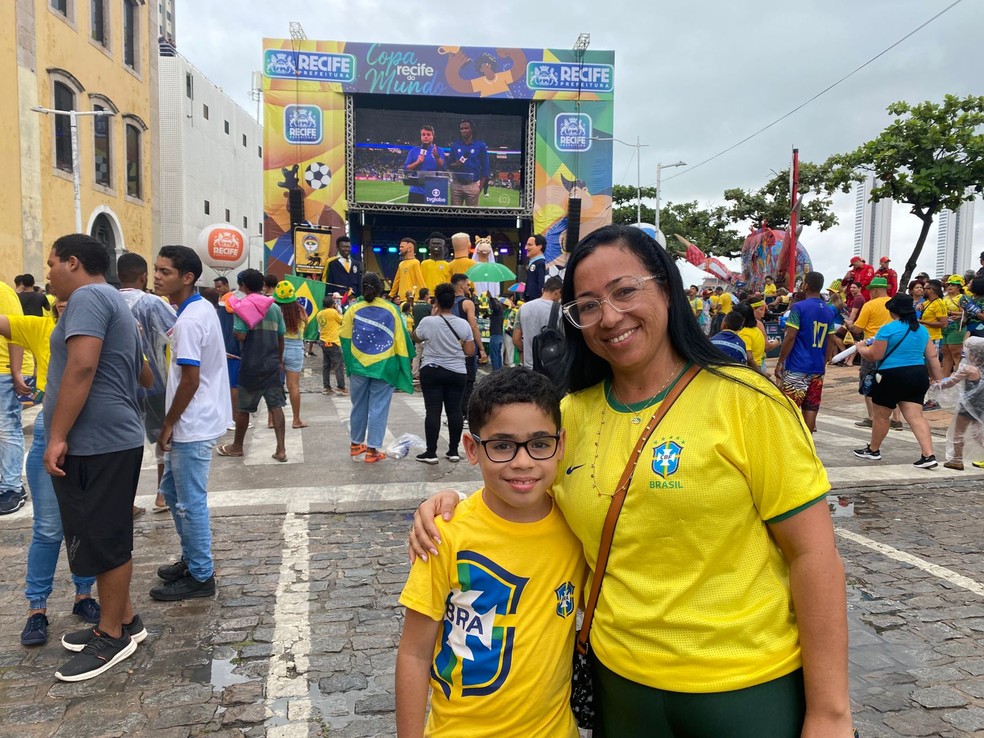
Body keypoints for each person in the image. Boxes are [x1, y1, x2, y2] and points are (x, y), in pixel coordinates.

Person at [412, 224, 851, 737]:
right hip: (620, 687)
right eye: (589, 305)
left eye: (625, 291)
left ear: (665, 285)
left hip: (746, 687)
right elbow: (520, 486)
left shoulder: (747, 402)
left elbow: (813, 555)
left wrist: (829, 713)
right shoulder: (569, 415)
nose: (610, 318)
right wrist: (451, 503)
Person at [396, 367, 584, 737]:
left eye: (540, 443)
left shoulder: (576, 524)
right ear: (471, 448)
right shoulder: (444, 533)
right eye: (502, 445)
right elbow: (414, 653)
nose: (523, 462)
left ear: (560, 445)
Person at [43, 234, 149, 682]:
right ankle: (125, 619)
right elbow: (145, 372)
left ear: (73, 262)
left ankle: (112, 636)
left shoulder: (89, 296)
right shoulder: (113, 301)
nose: (47, 274)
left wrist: (57, 435)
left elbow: (82, 366)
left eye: (51, 265)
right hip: (108, 437)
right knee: (101, 530)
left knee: (106, 536)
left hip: (97, 439)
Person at [0, 299, 103, 646]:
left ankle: (84, 595)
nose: (63, 300)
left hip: (90, 436)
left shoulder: (100, 330)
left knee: (84, 524)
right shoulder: (40, 328)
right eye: (58, 294)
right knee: (47, 529)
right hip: (48, 434)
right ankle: (36, 608)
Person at [150, 245, 231, 601]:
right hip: (196, 418)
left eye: (164, 272)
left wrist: (167, 424)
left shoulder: (189, 319)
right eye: (156, 269)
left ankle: (201, 575)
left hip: (191, 422)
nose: (157, 277)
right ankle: (192, 558)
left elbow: (191, 380)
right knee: (171, 492)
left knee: (189, 502)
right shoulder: (198, 308)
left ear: (186, 278)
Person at [853, 293, 942, 469]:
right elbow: (932, 356)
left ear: (894, 311)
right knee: (916, 416)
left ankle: (873, 450)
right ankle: (928, 454)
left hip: (891, 375)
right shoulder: (922, 330)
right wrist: (938, 379)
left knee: (881, 416)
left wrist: (862, 349)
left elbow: (875, 355)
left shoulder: (888, 329)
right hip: (918, 375)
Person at [117, 252, 176, 516]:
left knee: (122, 446)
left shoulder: (106, 301)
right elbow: (176, 333)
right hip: (153, 384)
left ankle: (123, 500)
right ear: (143, 277)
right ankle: (162, 495)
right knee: (162, 439)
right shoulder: (153, 303)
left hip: (118, 387)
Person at [341, 272, 415, 464]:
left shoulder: (352, 309)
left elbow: (345, 338)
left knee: (358, 405)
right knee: (378, 407)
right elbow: (401, 338)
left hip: (358, 364)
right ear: (382, 289)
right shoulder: (392, 309)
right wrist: (404, 362)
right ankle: (372, 449)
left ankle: (356, 444)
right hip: (384, 365)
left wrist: (350, 364)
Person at [217, 269, 287, 462]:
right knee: (276, 407)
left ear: (244, 286)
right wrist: (279, 360)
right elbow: (281, 337)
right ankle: (281, 450)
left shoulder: (243, 306)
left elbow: (241, 335)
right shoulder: (274, 307)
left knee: (244, 408)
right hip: (272, 364)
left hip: (251, 365)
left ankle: (237, 446)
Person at [411, 283, 475, 464]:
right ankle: (453, 451)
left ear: (436, 302)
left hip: (432, 371)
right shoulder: (463, 324)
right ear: (454, 301)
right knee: (454, 411)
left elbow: (415, 336)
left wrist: (432, 316)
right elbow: (470, 352)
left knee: (433, 411)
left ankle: (431, 453)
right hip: (457, 372)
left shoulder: (428, 322)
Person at [775, 272, 835, 432]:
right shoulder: (829, 311)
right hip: (817, 367)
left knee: (789, 409)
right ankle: (807, 445)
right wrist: (824, 361)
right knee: (811, 407)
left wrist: (780, 361)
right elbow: (830, 340)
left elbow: (790, 337)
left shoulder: (798, 307)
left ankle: (789, 444)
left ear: (806, 285)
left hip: (797, 365)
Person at [846, 276, 891, 428]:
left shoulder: (870, 305)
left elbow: (858, 328)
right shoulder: (894, 305)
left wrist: (849, 325)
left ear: (876, 290)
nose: (870, 293)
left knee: (868, 381)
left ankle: (872, 418)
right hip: (892, 350)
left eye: (871, 290)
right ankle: (895, 419)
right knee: (890, 384)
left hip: (871, 349)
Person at [937, 336, 984, 470]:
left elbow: (950, 383)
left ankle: (957, 460)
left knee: (958, 432)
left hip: (968, 406)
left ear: (973, 354)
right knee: (978, 433)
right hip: (982, 406)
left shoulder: (968, 369)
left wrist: (936, 385)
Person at [0, 280, 26, 515]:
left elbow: (16, 332)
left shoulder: (3, 292)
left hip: (2, 370)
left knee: (7, 428)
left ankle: (12, 488)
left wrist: (16, 372)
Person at [450, 273, 487, 417]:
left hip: (449, 348)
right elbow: (473, 326)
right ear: (461, 285)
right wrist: (482, 348)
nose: (468, 286)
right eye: (466, 284)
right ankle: (464, 413)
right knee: (468, 380)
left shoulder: (447, 302)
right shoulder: (467, 303)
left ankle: (453, 413)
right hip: (466, 348)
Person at [274, 281, 309, 429]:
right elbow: (306, 323)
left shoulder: (274, 310)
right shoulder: (299, 311)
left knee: (275, 385)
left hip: (277, 347)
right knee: (293, 386)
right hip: (295, 348)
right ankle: (296, 420)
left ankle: (271, 420)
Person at [512, 275, 563, 369]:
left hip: (529, 368)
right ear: (558, 292)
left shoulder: (523, 308)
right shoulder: (559, 311)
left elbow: (516, 340)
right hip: (550, 368)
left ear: (542, 290)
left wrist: (529, 351)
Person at [448, 119, 489, 206]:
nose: (464, 131)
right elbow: (448, 165)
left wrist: (480, 187)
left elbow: (485, 168)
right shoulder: (455, 145)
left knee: (472, 216)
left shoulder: (480, 145)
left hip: (472, 185)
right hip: (456, 185)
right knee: (454, 214)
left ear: (472, 130)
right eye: (462, 129)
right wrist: (456, 164)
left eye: (466, 128)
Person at [403, 125, 445, 204]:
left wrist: (437, 157)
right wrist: (417, 162)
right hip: (416, 191)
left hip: (434, 191)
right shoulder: (414, 151)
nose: (425, 137)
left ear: (433, 136)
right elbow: (405, 170)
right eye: (423, 134)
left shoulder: (439, 151)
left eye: (428, 135)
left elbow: (443, 168)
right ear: (421, 136)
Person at [316, 294, 346, 395]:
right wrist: (338, 310)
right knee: (338, 365)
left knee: (326, 365)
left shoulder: (319, 314)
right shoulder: (333, 312)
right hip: (333, 341)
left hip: (323, 341)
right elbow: (343, 321)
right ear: (332, 304)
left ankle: (326, 387)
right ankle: (341, 387)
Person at [941, 275, 967, 377]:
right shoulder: (944, 297)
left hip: (956, 327)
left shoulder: (962, 298)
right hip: (945, 327)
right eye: (949, 284)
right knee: (946, 353)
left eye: (953, 285)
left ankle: (960, 379)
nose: (950, 286)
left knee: (957, 353)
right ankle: (945, 380)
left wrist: (950, 312)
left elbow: (966, 313)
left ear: (959, 287)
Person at [389, 238, 426, 304]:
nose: (400, 249)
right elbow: (396, 281)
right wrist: (391, 295)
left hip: (412, 299)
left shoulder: (415, 262)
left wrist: (425, 295)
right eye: (400, 247)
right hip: (401, 299)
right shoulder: (401, 264)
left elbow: (420, 280)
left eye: (402, 247)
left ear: (409, 248)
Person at [523, 234, 547, 301]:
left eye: (529, 245)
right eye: (526, 245)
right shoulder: (533, 263)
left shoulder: (541, 263)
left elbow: (541, 284)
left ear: (539, 247)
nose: (526, 248)